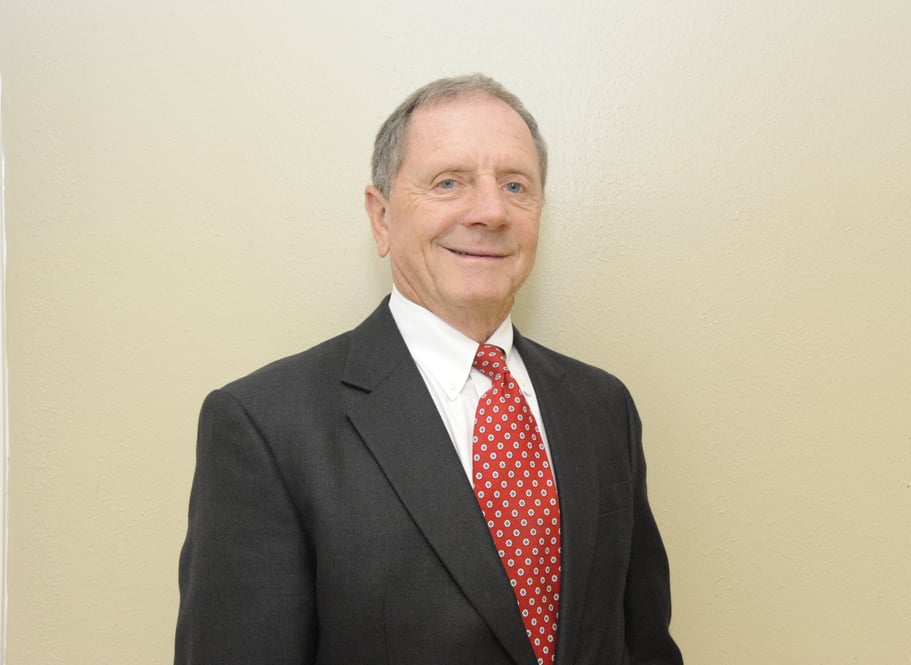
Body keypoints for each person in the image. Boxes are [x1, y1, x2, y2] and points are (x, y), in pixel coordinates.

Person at [175, 73, 683, 665]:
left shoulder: (603, 406)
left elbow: (644, 645)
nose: (491, 211)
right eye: (449, 182)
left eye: (515, 186)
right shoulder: (265, 425)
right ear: (381, 217)